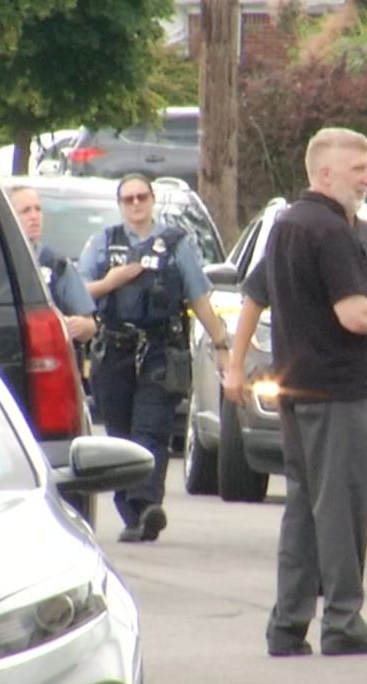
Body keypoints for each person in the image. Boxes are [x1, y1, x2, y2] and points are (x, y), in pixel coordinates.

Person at [261, 127, 367, 658]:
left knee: (302, 510)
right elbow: (354, 316)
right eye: (358, 169)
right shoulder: (331, 229)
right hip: (339, 392)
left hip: (297, 389)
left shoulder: (286, 225)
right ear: (324, 173)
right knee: (343, 510)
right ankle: (344, 620)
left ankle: (287, 623)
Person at [79, 174, 230, 544]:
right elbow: (79, 293)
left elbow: (199, 298)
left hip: (160, 350)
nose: (135, 204)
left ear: (152, 199)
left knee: (151, 429)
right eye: (128, 199)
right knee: (119, 435)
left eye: (141, 197)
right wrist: (112, 281)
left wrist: (221, 345)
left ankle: (147, 506)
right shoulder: (103, 243)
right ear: (120, 204)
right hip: (114, 350)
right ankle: (131, 513)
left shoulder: (176, 245)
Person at [222, 218, 367, 406]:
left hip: (358, 381)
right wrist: (236, 367)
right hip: (305, 379)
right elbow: (254, 299)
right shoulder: (298, 235)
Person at [9, 186, 98, 343]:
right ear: (8, 216)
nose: (34, 216)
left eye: (38, 209)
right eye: (25, 211)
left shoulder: (58, 265)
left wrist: (80, 326)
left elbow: (90, 325)